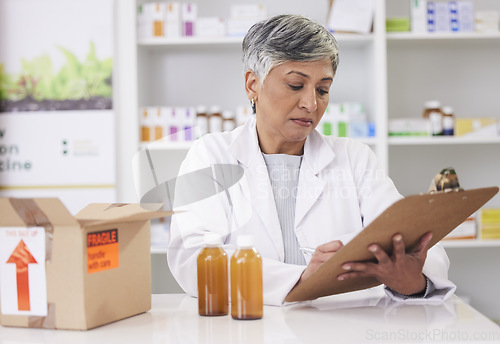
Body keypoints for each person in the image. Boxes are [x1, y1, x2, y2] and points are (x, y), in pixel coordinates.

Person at [167, 14, 456, 306]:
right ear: (253, 85)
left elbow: (418, 241)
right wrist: (301, 279)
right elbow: (192, 258)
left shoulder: (354, 158)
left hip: (343, 327)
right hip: (250, 326)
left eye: (322, 89)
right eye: (295, 85)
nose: (311, 104)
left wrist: (412, 283)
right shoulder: (211, 155)